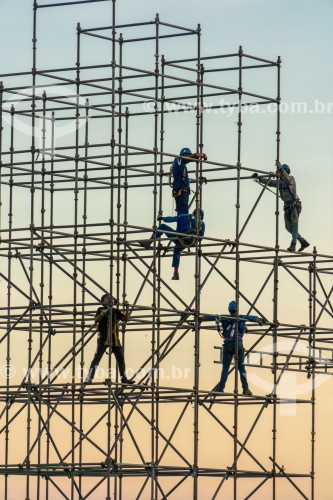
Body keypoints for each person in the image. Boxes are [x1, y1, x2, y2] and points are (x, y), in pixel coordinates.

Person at [200, 301, 265, 395]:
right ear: (237, 310)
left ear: (229, 310)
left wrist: (202, 318)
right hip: (238, 345)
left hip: (228, 344)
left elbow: (213, 317)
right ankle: (246, 389)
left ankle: (221, 387)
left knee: (225, 368)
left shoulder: (224, 317)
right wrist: (259, 319)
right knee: (242, 369)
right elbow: (252, 318)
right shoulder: (242, 318)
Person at [252, 161, 310, 252]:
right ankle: (303, 242)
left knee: (294, 226)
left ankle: (293, 244)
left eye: (280, 172)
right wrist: (259, 178)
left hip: (295, 205)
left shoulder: (291, 179)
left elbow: (287, 179)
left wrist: (281, 168)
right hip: (287, 206)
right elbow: (270, 182)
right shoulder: (280, 183)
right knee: (288, 227)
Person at [139, 208, 205, 280]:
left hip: (185, 238)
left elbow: (174, 219)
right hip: (180, 238)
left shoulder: (194, 220)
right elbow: (174, 219)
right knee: (176, 249)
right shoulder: (191, 218)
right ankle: (176, 273)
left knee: (164, 228)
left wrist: (163, 218)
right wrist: (163, 218)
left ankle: (149, 241)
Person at [85, 293, 134, 384]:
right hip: (104, 338)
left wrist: (127, 308)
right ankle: (89, 378)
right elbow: (96, 320)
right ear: (104, 301)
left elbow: (125, 319)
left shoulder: (116, 311)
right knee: (97, 358)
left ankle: (124, 378)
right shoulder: (100, 309)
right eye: (108, 298)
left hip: (114, 338)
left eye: (111, 298)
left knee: (120, 359)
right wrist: (106, 311)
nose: (110, 299)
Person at [171, 147, 207, 234]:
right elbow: (187, 159)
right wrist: (199, 155)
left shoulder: (180, 165)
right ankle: (184, 229)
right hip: (181, 192)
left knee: (181, 210)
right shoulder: (179, 160)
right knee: (183, 210)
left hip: (182, 191)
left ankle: (180, 230)